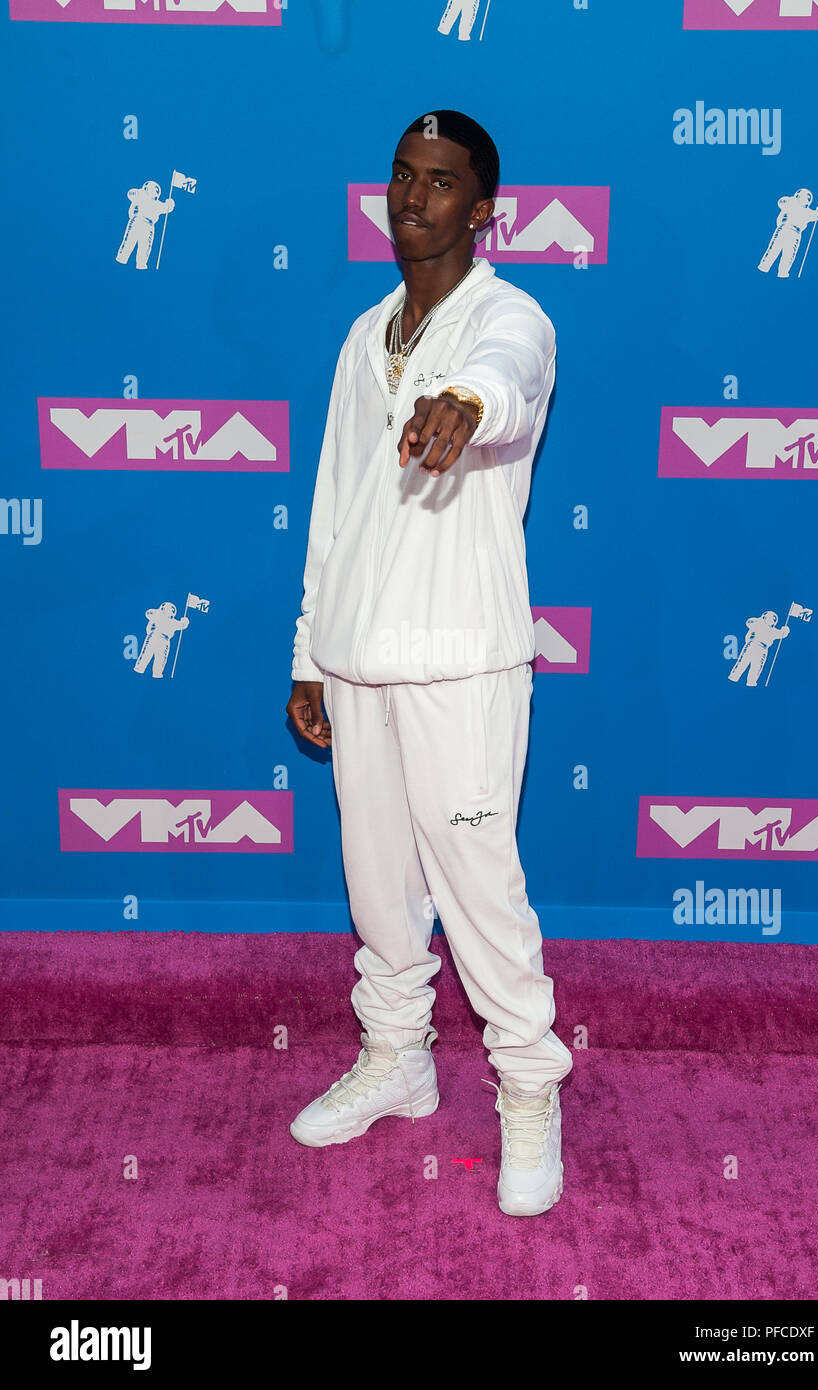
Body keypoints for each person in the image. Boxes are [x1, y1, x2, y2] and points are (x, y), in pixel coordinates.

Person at [286, 110, 573, 1217]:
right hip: (359, 654)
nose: (414, 197)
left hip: (461, 654)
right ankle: (397, 1057)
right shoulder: (364, 336)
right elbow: (333, 508)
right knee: (380, 887)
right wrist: (310, 650)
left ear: (483, 208)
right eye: (404, 176)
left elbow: (503, 380)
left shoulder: (516, 320)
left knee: (479, 884)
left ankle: (530, 1085)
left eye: (442, 182)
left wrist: (467, 403)